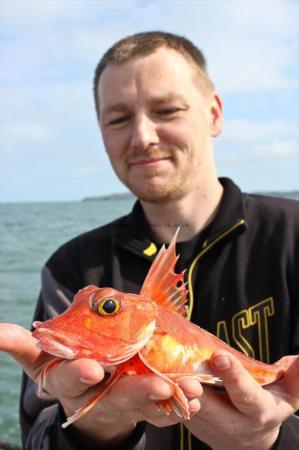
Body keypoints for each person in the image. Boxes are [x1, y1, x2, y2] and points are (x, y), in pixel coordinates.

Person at [0, 31, 298, 450]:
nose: (142, 136)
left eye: (166, 109)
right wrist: (93, 431)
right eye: (119, 118)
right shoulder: (70, 267)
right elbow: (37, 435)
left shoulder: (292, 235)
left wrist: (273, 441)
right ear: (102, 130)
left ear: (213, 114)